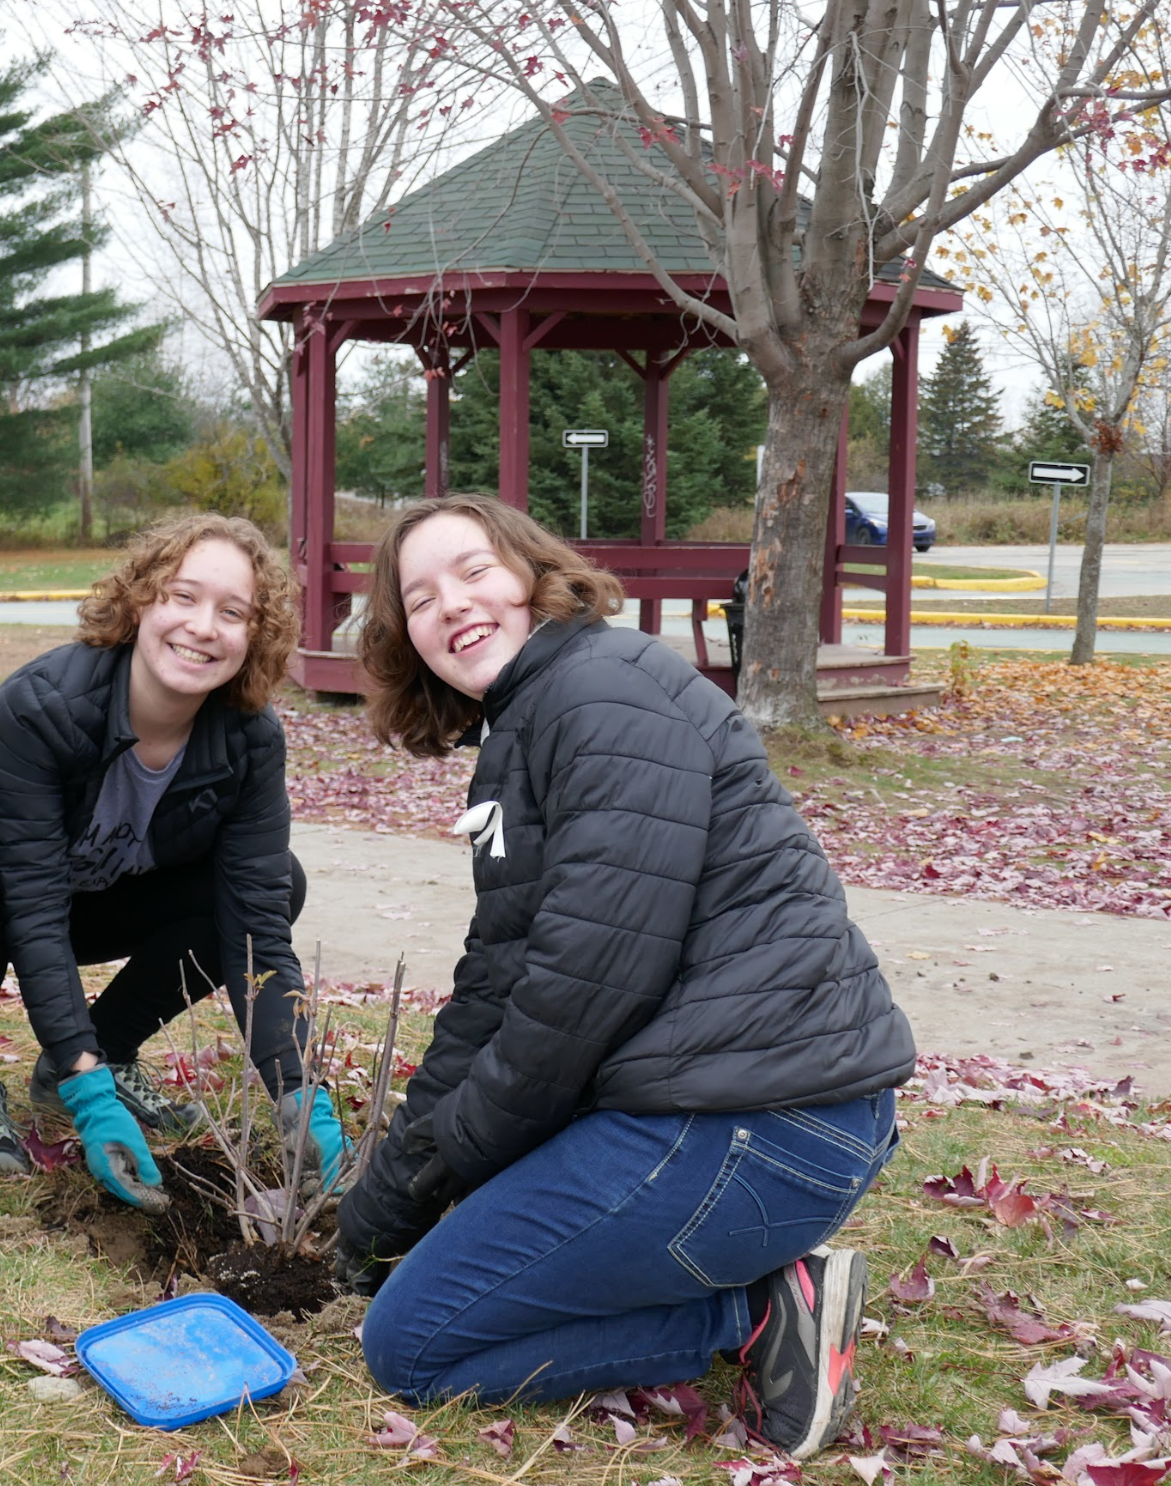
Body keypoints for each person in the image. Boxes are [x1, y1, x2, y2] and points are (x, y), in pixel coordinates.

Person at [334, 493, 916, 1460]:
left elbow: (581, 986)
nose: (453, 605)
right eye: (421, 598)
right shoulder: (537, 719)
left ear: (532, 574)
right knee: (444, 1268)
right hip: (731, 1110)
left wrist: (455, 1161)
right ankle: (738, 1277)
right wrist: (395, 1189)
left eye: (474, 571)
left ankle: (760, 1312)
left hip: (761, 1124)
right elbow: (497, 986)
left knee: (416, 1344)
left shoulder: (601, 693)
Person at [0, 514, 347, 1208]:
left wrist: (300, 1093)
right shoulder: (43, 704)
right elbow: (31, 903)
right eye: (182, 596)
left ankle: (101, 1055)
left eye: (232, 612)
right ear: (140, 601)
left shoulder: (250, 738)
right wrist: (90, 1095)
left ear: (255, 636)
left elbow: (258, 929)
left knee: (277, 883)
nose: (203, 626)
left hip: (90, 896)